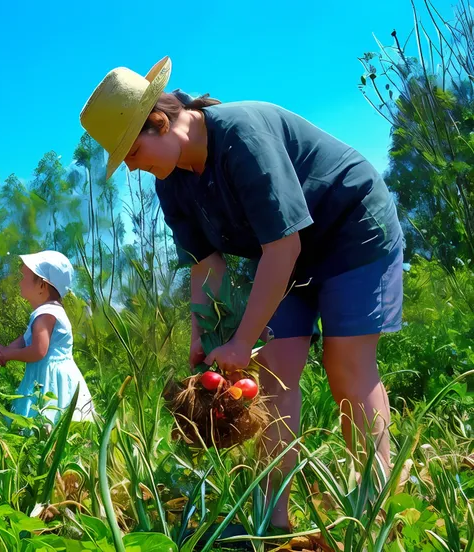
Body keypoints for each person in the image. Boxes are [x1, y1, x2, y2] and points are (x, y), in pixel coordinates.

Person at [80, 57, 403, 530]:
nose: (133, 169)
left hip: (349, 231)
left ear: (159, 121)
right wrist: (203, 336)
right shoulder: (172, 183)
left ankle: (374, 510)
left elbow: (283, 244)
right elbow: (205, 266)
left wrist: (240, 340)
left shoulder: (240, 136)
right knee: (274, 375)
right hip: (282, 254)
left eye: (131, 153)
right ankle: (272, 519)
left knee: (347, 367)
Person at [0, 251, 95, 424]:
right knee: (59, 421)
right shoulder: (47, 312)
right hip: (52, 374)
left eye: (24, 277)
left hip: (49, 379)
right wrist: (2, 352)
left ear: (42, 286)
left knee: (45, 416)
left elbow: (38, 351)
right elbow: (25, 339)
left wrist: (6, 355)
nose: (20, 281)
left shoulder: (46, 314)